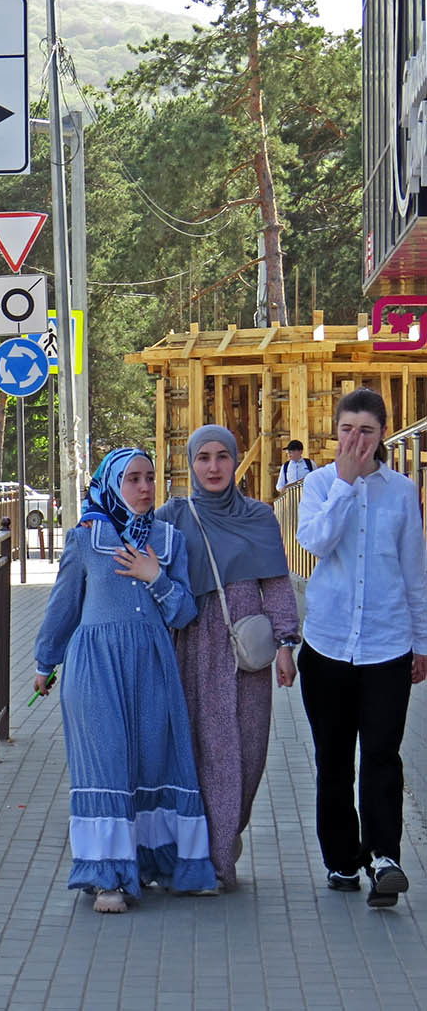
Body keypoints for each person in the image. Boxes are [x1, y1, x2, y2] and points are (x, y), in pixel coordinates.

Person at [33, 447, 217, 912]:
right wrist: (43, 662)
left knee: (152, 763)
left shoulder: (168, 540)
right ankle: (106, 879)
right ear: (112, 484)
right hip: (94, 668)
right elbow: (63, 605)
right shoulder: (85, 538)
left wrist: (155, 575)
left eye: (150, 478)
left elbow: (183, 613)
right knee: (107, 762)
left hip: (153, 666)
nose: (143, 487)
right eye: (133, 478)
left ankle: (156, 862)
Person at [295, 388, 427, 908]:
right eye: (347, 429)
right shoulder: (319, 483)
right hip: (326, 646)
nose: (356, 440)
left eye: (367, 431)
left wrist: (421, 641)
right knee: (333, 760)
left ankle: (384, 858)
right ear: (335, 431)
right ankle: (341, 860)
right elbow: (315, 544)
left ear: (381, 436)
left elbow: (414, 572)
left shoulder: (401, 492)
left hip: (387, 645)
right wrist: (345, 486)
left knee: (381, 755)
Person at [156, 425, 299, 891]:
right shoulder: (174, 515)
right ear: (191, 463)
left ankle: (224, 836)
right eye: (203, 458)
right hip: (193, 645)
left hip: (246, 651)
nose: (213, 467)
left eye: (222, 457)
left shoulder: (258, 516)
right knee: (208, 752)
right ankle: (214, 860)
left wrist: (285, 645)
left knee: (248, 754)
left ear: (235, 461)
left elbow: (276, 584)